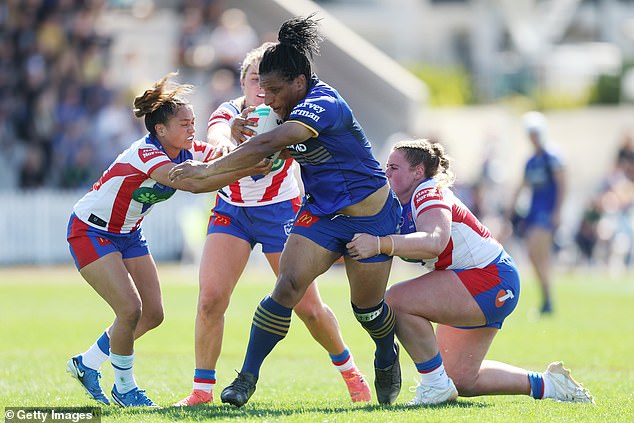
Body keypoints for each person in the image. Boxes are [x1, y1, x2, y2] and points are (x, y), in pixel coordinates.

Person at [169, 14, 403, 406]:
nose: (268, 99)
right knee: (287, 287)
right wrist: (195, 179)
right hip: (321, 214)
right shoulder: (268, 109)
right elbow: (234, 143)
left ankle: (384, 351)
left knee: (366, 309)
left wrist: (207, 169)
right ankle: (245, 379)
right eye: (260, 87)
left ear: (299, 82)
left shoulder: (323, 104)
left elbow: (269, 143)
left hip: (369, 216)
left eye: (274, 90)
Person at [65, 73, 269, 407]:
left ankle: (86, 363)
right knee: (130, 309)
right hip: (91, 230)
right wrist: (246, 169)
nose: (192, 129)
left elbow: (219, 155)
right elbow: (194, 184)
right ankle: (125, 389)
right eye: (185, 124)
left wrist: (244, 144)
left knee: (153, 314)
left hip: (128, 233)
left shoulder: (186, 150)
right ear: (161, 130)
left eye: (194, 122)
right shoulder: (148, 155)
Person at [347, 139, 593, 406]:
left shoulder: (427, 191)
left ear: (418, 172)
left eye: (394, 167)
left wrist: (381, 243)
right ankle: (548, 384)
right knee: (462, 379)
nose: (387, 173)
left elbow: (434, 240)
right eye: (387, 166)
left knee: (397, 301)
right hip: (483, 279)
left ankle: (433, 385)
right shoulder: (401, 201)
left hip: (488, 278)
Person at [507, 111, 566, 314]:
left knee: (538, 253)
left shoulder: (553, 157)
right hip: (533, 212)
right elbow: (521, 186)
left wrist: (558, 211)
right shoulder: (531, 160)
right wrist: (510, 209)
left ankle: (548, 300)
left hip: (546, 213)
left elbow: (562, 184)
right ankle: (547, 300)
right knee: (534, 256)